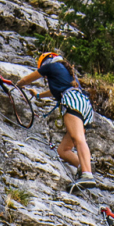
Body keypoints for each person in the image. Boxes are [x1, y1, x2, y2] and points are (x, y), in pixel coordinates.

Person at [15, 50, 96, 193]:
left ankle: (87, 175)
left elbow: (28, 79)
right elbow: (55, 91)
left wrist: (18, 85)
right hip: (84, 104)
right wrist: (39, 95)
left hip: (72, 102)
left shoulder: (50, 66)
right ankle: (83, 165)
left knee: (78, 139)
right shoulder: (64, 71)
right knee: (63, 150)